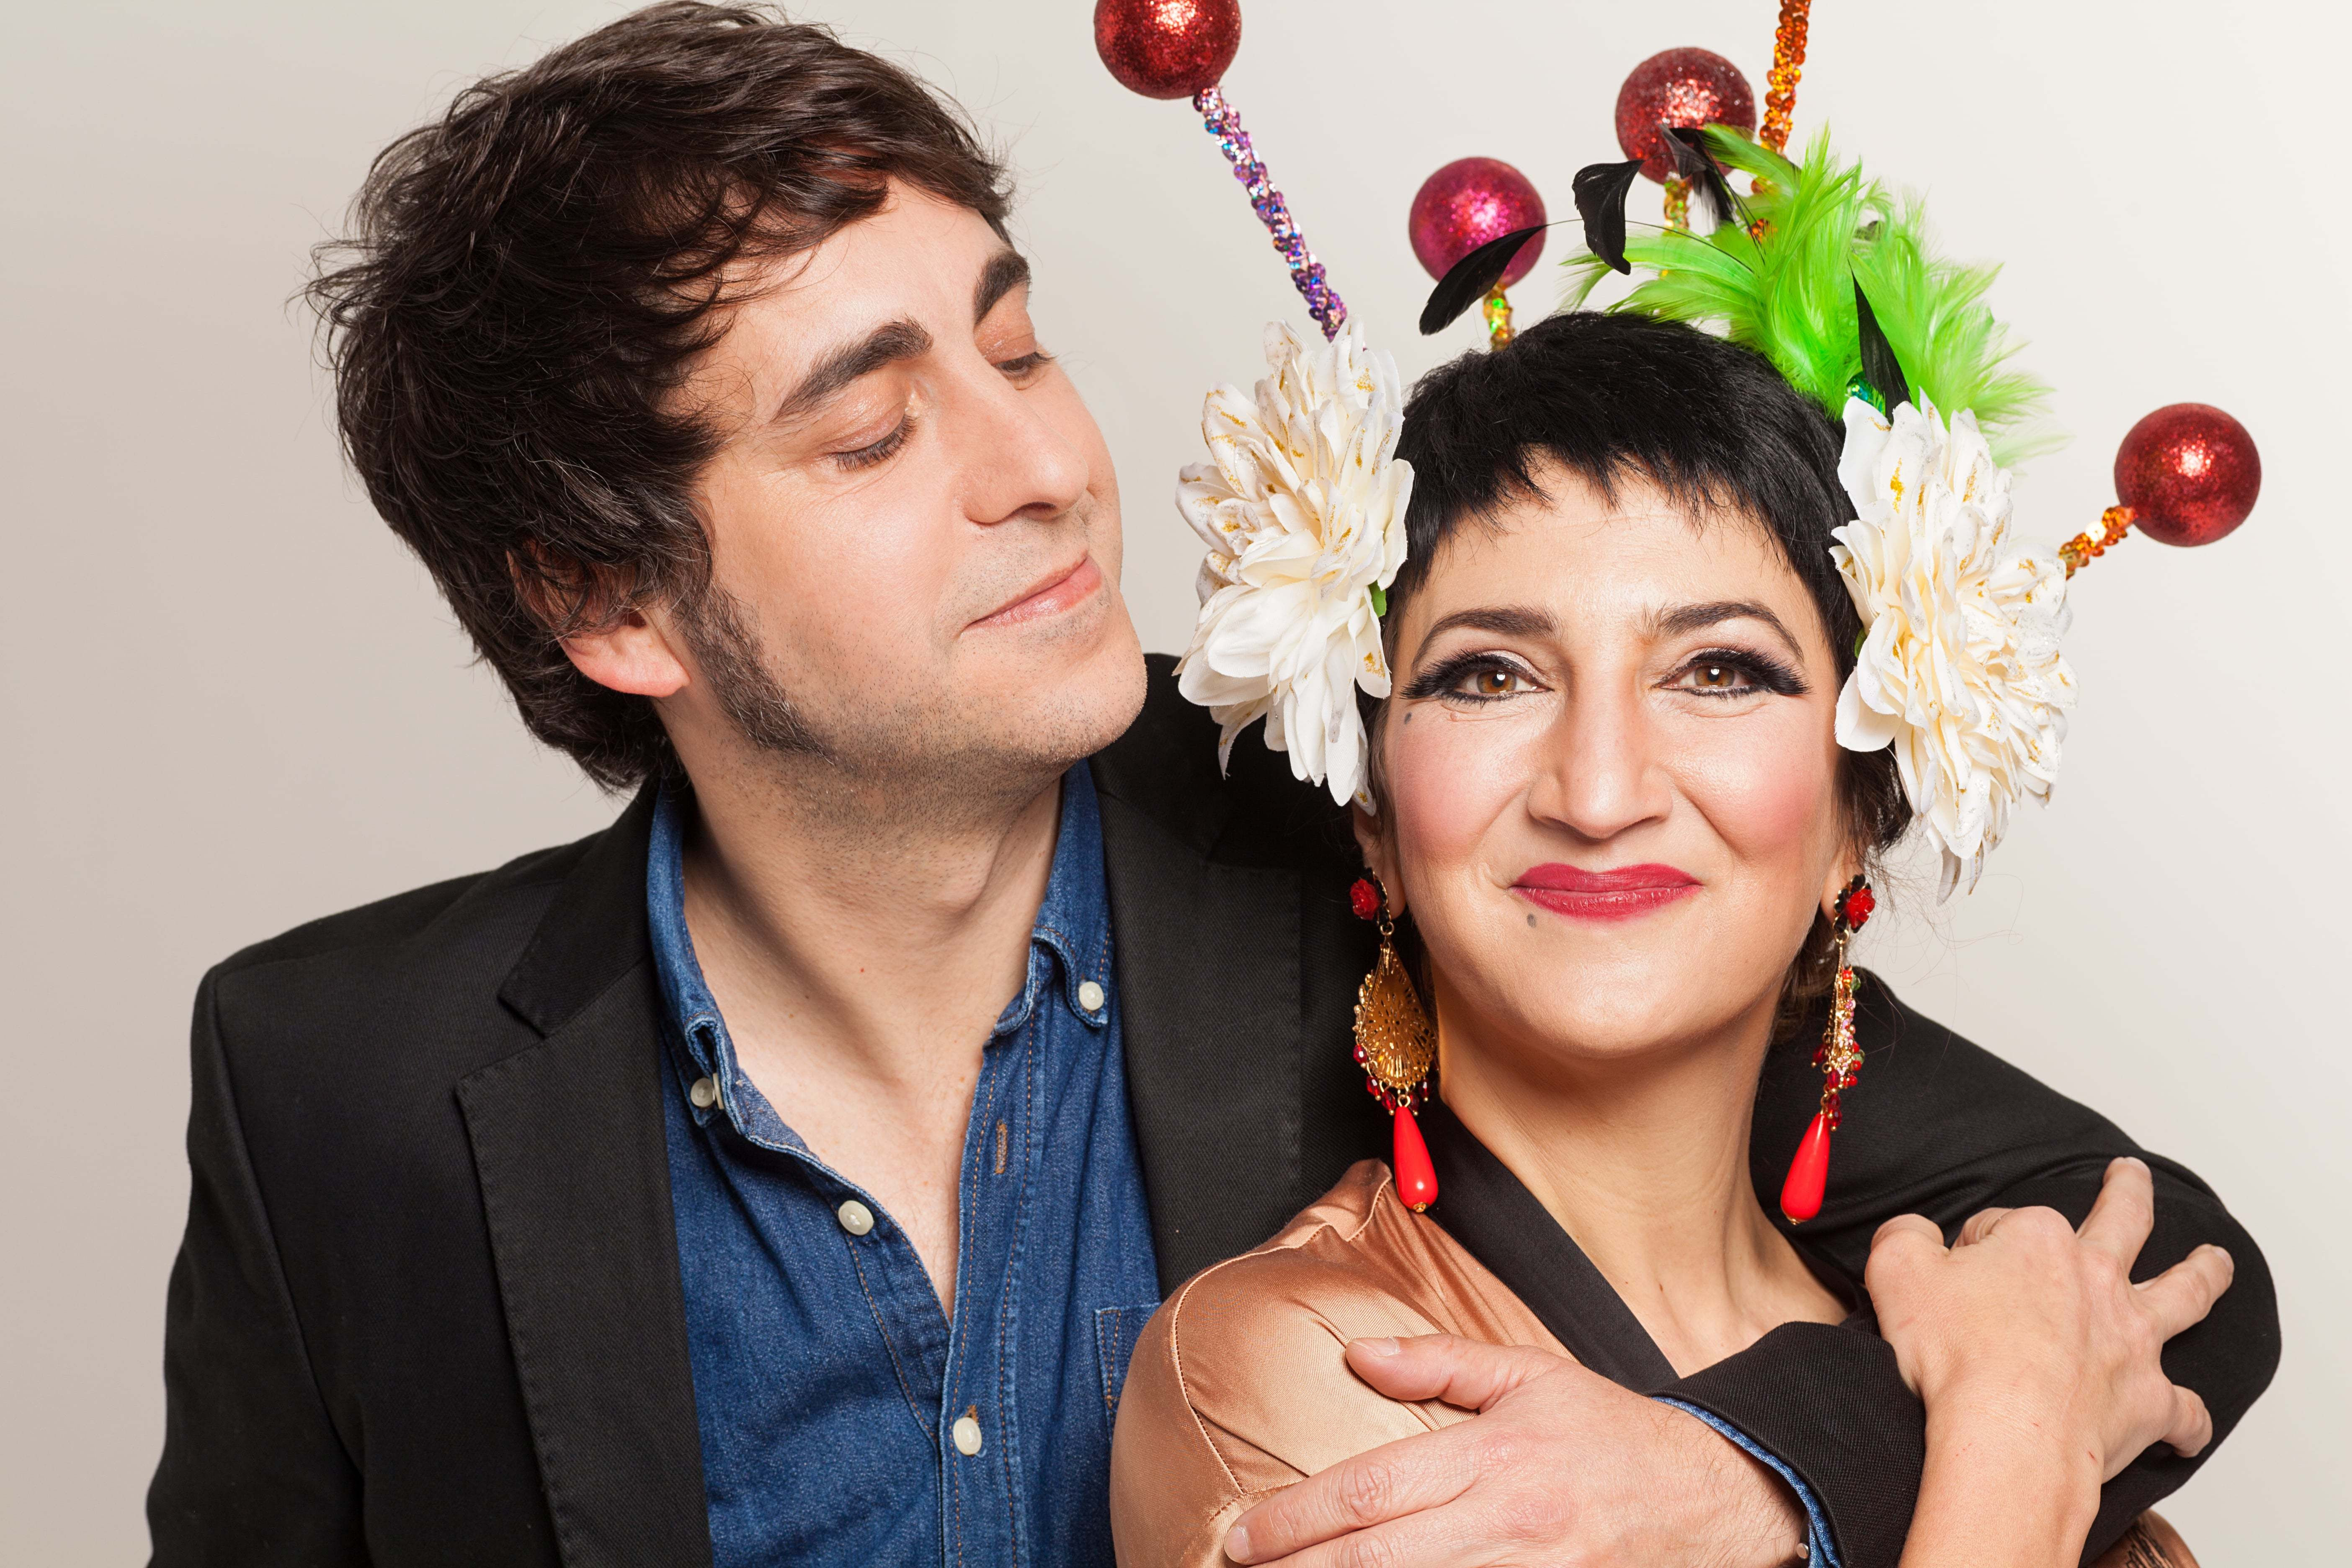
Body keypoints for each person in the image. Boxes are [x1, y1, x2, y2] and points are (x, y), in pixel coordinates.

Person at [145, 8, 2275, 1567]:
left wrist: (1744, 1479)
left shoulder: (1391, 805)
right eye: (872, 435)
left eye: (1015, 343)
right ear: (609, 599)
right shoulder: (336, 1085)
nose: (1044, 466)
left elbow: (2153, 1255)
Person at [1112, 132, 2272, 1568]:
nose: (1599, 791)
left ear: (1861, 804)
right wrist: (2021, 1430)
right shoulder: (1305, 1369)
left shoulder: (1991, 1308)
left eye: (1720, 671)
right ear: (1375, 819)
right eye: (1488, 676)